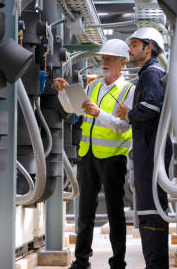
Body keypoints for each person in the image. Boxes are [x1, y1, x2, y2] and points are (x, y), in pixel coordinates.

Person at [53, 39, 135, 269]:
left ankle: (118, 262)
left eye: (110, 59)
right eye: (103, 58)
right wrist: (63, 94)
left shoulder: (129, 90)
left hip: (113, 158)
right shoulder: (94, 86)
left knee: (115, 211)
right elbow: (75, 110)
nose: (104, 62)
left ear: (122, 63)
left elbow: (123, 126)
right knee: (85, 210)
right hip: (88, 154)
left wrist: (98, 113)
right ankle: (81, 261)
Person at [116, 27, 172, 269]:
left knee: (152, 210)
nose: (130, 49)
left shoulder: (152, 73)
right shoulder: (148, 73)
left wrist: (128, 113)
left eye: (135, 45)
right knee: (149, 209)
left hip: (152, 151)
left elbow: (151, 108)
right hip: (148, 150)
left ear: (149, 48)